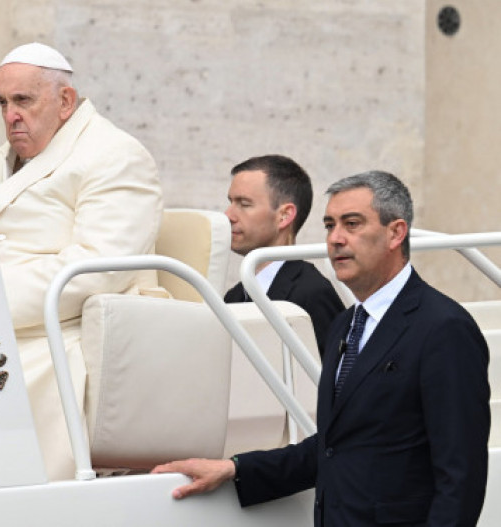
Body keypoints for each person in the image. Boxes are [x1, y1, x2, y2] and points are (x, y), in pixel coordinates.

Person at [153, 171, 490, 526]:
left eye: (352, 224)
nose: (336, 239)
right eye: (330, 225)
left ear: (396, 233)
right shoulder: (346, 325)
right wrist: (235, 468)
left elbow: (461, 476)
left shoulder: (444, 327)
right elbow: (333, 448)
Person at [0, 42, 163, 480]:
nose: (10, 115)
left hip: (66, 324)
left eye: (23, 100)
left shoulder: (115, 154)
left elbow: (99, 268)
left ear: (65, 101)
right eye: (2, 102)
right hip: (0, 315)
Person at [223, 155, 345, 356]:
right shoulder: (234, 296)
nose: (228, 215)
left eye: (244, 204)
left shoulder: (312, 293)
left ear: (284, 216)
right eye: (230, 202)